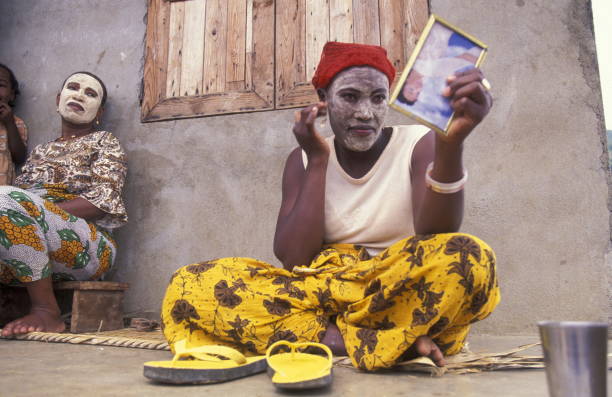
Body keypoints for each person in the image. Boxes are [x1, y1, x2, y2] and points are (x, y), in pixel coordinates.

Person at [161, 41, 499, 371]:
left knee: (470, 258)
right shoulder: (304, 158)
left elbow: (435, 236)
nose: (365, 113)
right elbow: (295, 260)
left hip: (392, 292)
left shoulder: (418, 143)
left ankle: (345, 335)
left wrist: (451, 145)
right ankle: (389, 341)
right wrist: (319, 160)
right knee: (191, 284)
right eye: (349, 97)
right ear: (323, 98)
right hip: (323, 291)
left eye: (378, 98)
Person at [0, 72, 127, 337]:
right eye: (73, 88)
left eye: (90, 94)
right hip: (31, 235)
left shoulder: (105, 142)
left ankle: (47, 311)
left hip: (89, 245)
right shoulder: (40, 151)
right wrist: (28, 211)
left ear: (99, 111)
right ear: (58, 100)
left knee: (7, 200)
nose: (79, 95)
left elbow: (101, 203)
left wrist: (34, 212)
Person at [397, 25, 483, 130]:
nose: (418, 89)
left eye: (411, 90)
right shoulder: (432, 72)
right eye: (417, 93)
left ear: (405, 81)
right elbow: (468, 59)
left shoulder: (414, 61)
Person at [0, 63, 28, 185]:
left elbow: (20, 157)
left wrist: (9, 123)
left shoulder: (16, 123)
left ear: (11, 95)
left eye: (0, 85)